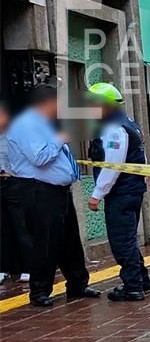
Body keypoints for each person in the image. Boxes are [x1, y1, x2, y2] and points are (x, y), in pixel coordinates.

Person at [5, 84, 99, 306]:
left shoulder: (44, 123)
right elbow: (39, 157)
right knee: (45, 242)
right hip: (39, 190)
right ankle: (39, 290)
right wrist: (60, 139)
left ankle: (77, 284)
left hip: (57, 190)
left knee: (69, 239)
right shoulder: (26, 124)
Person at [85, 82, 150, 301]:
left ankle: (132, 287)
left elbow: (112, 166)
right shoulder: (128, 123)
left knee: (121, 240)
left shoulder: (114, 129)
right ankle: (142, 279)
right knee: (128, 237)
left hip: (121, 192)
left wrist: (97, 195)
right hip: (131, 189)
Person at [0, 100, 31, 283]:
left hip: (14, 183)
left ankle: (28, 267)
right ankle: (5, 267)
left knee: (22, 227)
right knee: (2, 229)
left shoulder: (15, 136)